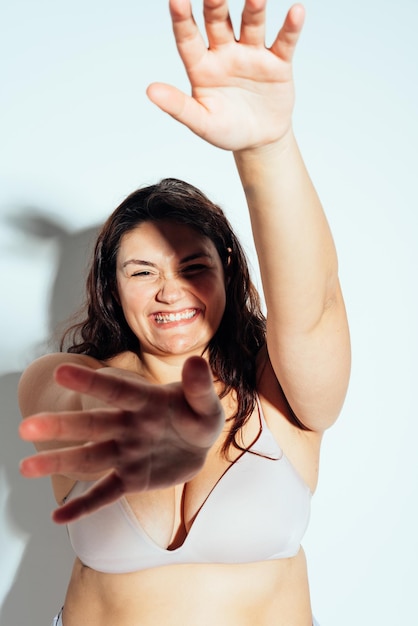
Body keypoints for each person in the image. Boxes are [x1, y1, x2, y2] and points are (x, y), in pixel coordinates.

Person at [18, 1, 351, 625]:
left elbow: (315, 304)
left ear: (228, 268)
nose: (170, 291)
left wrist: (266, 148)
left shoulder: (280, 390)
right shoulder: (62, 382)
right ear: (111, 288)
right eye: (142, 272)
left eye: (193, 267)